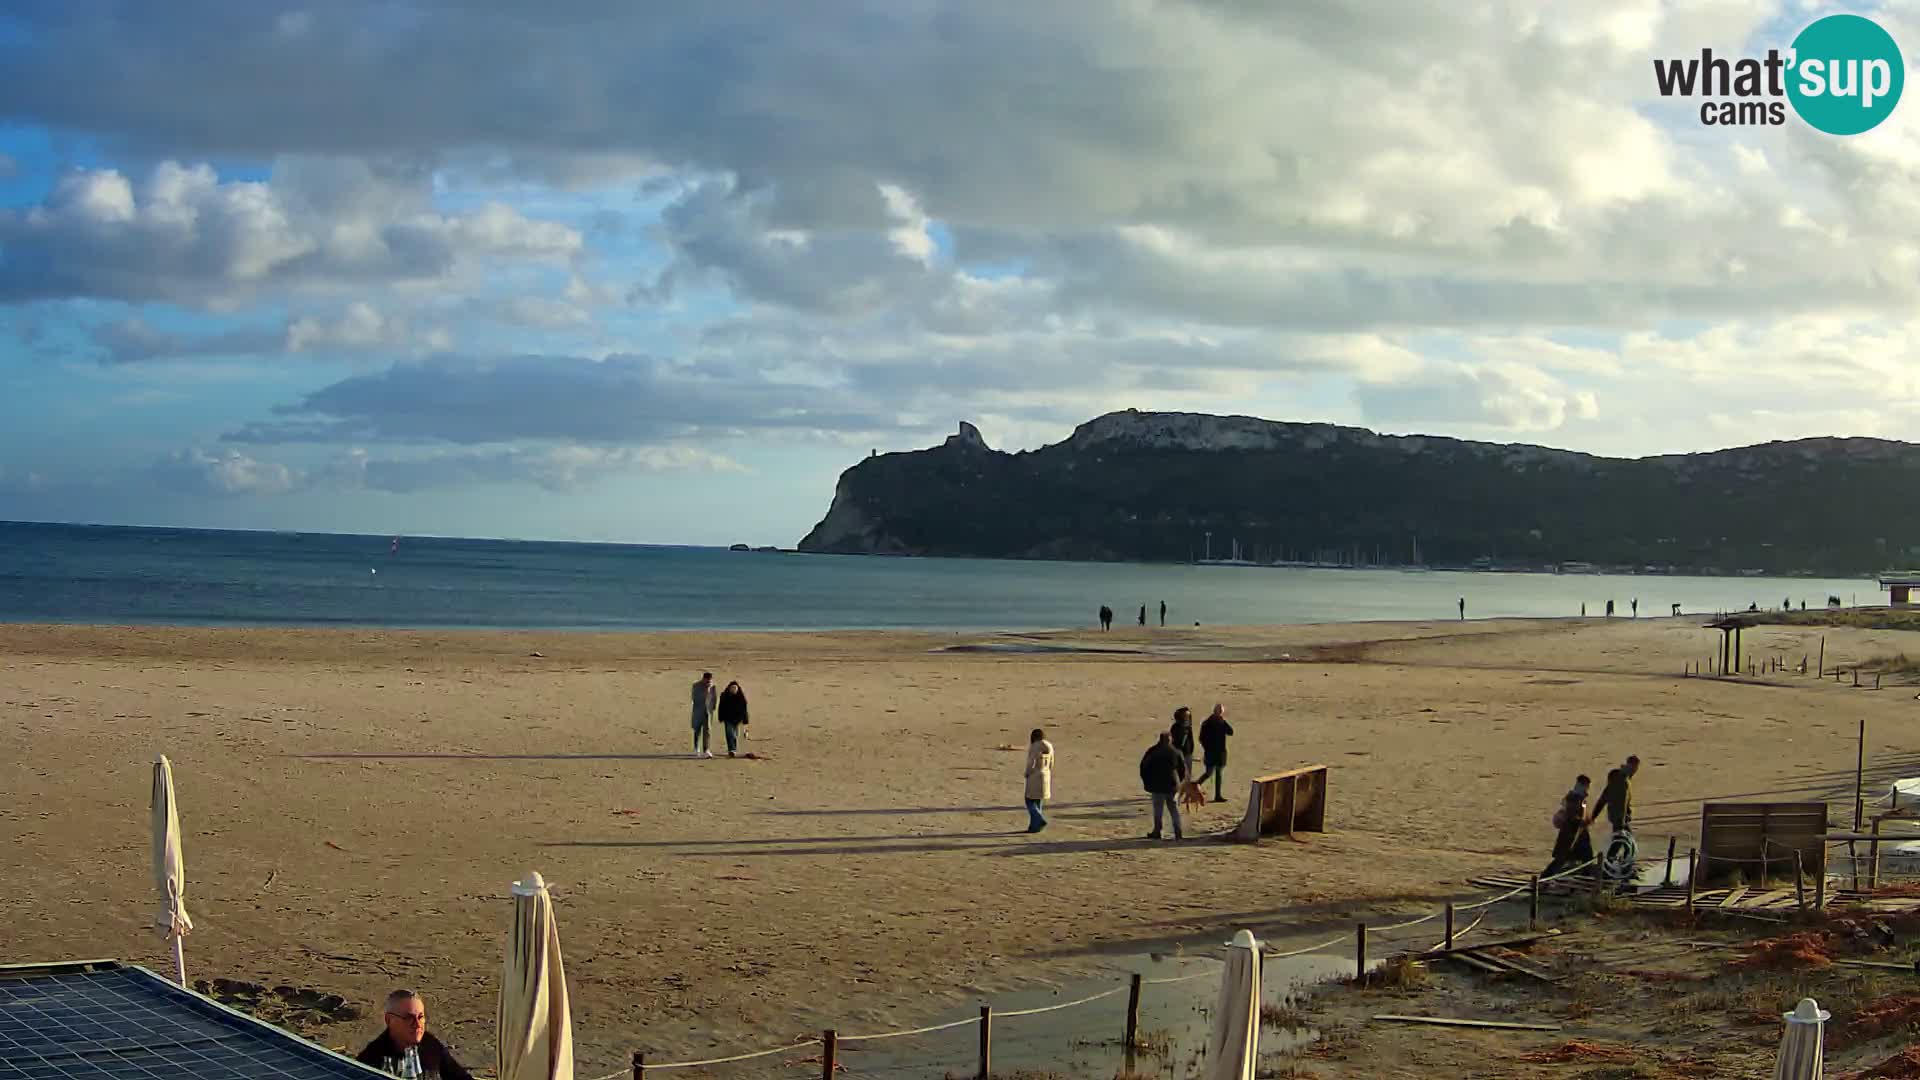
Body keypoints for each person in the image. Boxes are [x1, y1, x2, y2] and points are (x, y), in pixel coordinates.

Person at [357, 990, 474, 1080]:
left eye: (420, 1017)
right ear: (389, 1020)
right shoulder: (371, 1061)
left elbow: (459, 1077)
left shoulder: (430, 1044)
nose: (417, 1024)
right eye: (409, 1018)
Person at [1139, 731, 1188, 840]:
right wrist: (1179, 782)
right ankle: (1178, 832)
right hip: (1172, 785)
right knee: (1174, 809)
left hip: (1157, 784)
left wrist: (1147, 781)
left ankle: (1157, 831)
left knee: (1158, 809)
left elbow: (1144, 767)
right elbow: (1182, 770)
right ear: (1170, 740)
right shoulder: (1176, 752)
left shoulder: (1152, 751)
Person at [1544, 774, 1594, 877]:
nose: (1587, 788)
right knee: (1562, 859)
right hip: (1570, 834)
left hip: (1579, 834)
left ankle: (1586, 878)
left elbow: (1582, 815)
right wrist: (1581, 821)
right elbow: (1571, 816)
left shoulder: (1580, 798)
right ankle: (1543, 879)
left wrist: (1587, 820)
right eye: (1586, 785)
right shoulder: (1574, 798)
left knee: (1585, 858)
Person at [1196, 704, 1234, 803]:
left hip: (1217, 752)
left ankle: (1217, 795)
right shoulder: (1209, 723)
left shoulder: (1209, 722)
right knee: (1211, 773)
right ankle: (1196, 786)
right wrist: (1207, 748)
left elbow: (1230, 732)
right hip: (1214, 752)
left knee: (1216, 773)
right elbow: (1201, 738)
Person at [1023, 728, 1054, 833]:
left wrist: (1027, 773)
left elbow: (1031, 762)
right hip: (1045, 775)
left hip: (1034, 775)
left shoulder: (1034, 747)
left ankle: (1039, 819)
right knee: (1038, 801)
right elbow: (1052, 763)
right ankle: (1034, 827)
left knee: (1029, 800)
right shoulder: (1049, 746)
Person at [717, 680, 749, 758]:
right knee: (729, 733)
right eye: (732, 688)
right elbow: (721, 707)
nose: (733, 689)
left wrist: (745, 720)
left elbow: (744, 710)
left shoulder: (741, 697)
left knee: (735, 735)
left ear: (738, 689)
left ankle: (733, 749)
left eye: (735, 688)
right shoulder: (724, 696)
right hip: (727, 718)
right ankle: (731, 750)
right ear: (729, 688)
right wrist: (720, 717)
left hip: (737, 719)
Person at [689, 672, 716, 759]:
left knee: (707, 731)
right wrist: (706, 691)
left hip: (708, 712)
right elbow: (695, 698)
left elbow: (714, 698)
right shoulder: (696, 685)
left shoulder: (713, 686)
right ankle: (696, 749)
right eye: (707, 680)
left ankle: (706, 750)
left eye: (710, 680)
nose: (709, 682)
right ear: (703, 679)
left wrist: (713, 708)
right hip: (698, 711)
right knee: (697, 730)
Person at [1169, 707, 1196, 777]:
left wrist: (1191, 752)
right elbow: (1174, 743)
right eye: (1186, 717)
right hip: (1179, 756)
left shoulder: (1188, 728)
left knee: (1188, 775)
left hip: (1188, 755)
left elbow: (1191, 740)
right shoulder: (1175, 728)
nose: (1188, 719)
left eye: (1188, 717)